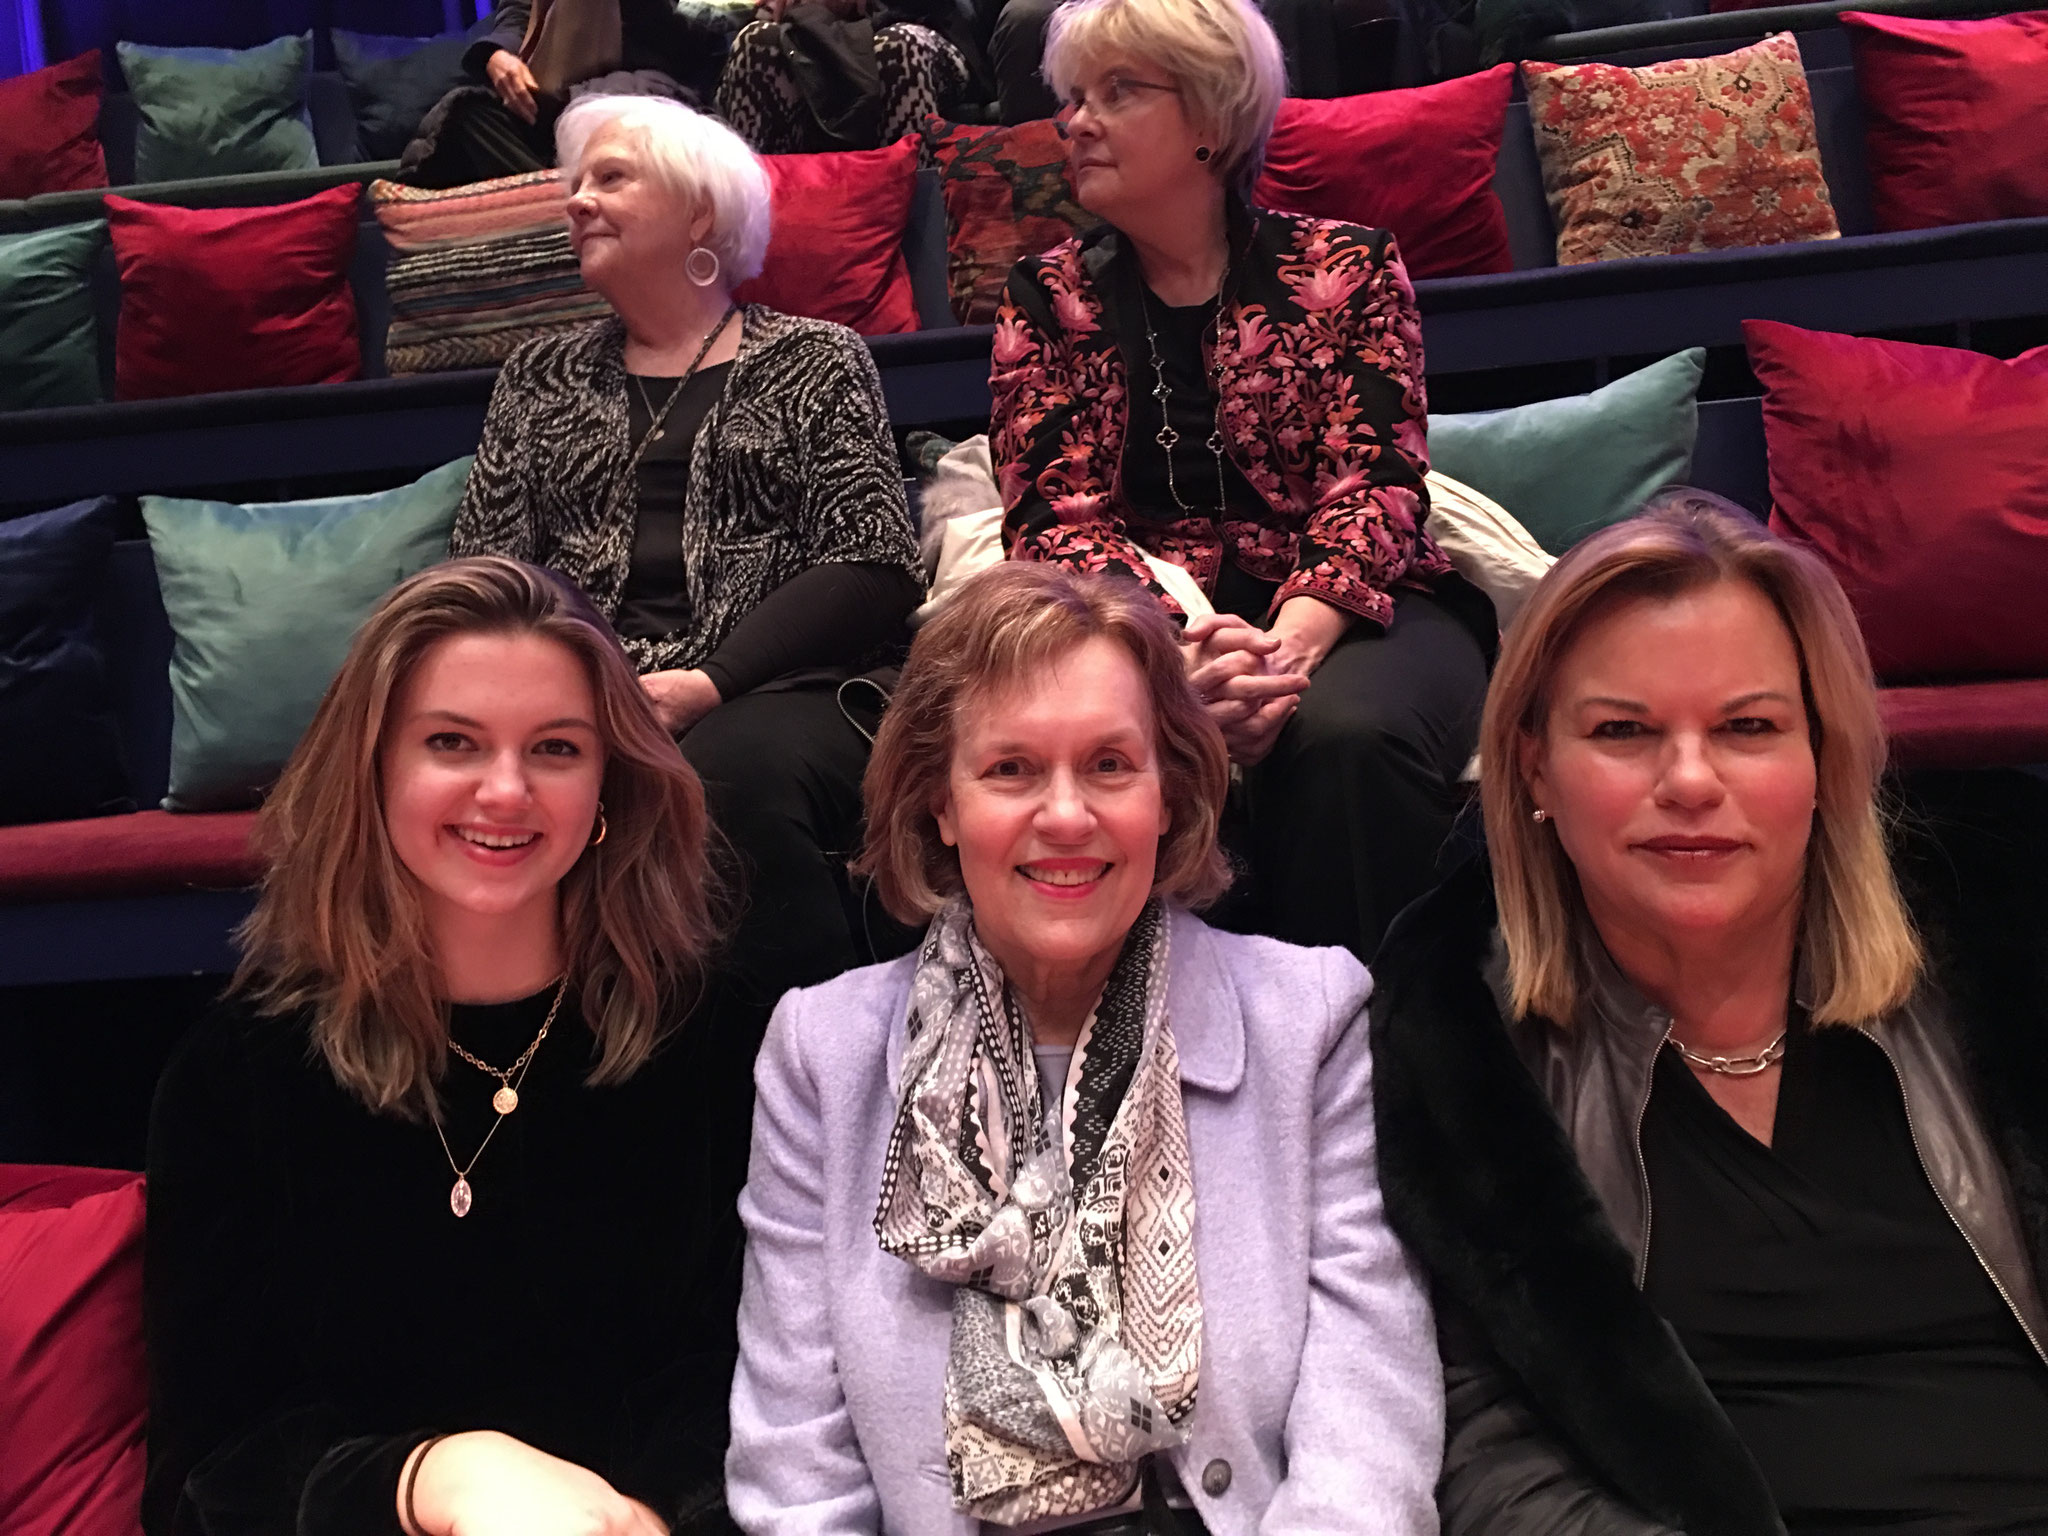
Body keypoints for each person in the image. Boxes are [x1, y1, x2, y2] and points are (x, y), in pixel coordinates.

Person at [1369, 494, 2048, 1535]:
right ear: (1532, 766)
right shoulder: (1459, 1044)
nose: (1688, 781)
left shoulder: (2003, 956)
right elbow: (1479, 1457)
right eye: (1621, 731)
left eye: (1746, 727)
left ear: (1823, 759)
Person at [726, 563, 1443, 1534]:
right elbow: (794, 1472)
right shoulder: (822, 1054)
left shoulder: (1309, 1020)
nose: (1065, 817)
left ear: (1168, 790)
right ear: (940, 802)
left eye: (1109, 765)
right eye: (1010, 768)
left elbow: (1367, 1430)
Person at [145, 557, 755, 1536]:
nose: (504, 790)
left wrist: (639, 1515)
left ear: (608, 784)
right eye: (451, 743)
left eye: (556, 748)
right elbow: (204, 1472)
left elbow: (748, 1388)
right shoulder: (237, 1075)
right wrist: (434, 1478)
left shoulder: (721, 1041)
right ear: (374, 768)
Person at [988, 0, 1494, 965]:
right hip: (1139, 628)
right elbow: (1050, 515)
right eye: (1073, 99)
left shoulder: (1351, 267)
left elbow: (1377, 484)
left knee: (1347, 740)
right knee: (1120, 750)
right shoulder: (1044, 298)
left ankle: (1379, 1062)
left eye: (1118, 92)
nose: (1075, 122)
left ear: (1213, 121)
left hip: (1356, 612)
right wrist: (1176, 662)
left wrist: (1284, 653)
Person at [451, 93, 925, 1015]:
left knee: (724, 778)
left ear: (700, 211)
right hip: (587, 696)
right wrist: (585, 692)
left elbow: (871, 564)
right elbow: (486, 574)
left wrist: (709, 681)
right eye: (576, 184)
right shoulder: (537, 378)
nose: (578, 200)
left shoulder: (816, 362)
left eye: (611, 177)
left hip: (786, 691)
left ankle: (824, 1087)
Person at [401, 0, 736, 189]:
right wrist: (495, 56)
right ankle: (577, 193)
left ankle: (580, 194)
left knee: (611, 124)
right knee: (465, 115)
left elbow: (708, 28)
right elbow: (518, 14)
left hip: (644, 96)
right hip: (553, 100)